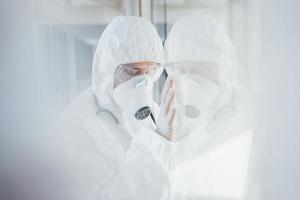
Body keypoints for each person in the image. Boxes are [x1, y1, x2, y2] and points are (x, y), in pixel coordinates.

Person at [51, 16, 173, 200]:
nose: (142, 83)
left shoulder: (154, 112)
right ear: (107, 69)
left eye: (149, 72)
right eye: (131, 72)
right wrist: (155, 142)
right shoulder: (77, 122)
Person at [162, 13, 254, 167]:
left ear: (223, 67)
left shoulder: (248, 109)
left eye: (200, 70)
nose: (190, 79)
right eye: (182, 70)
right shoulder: (166, 116)